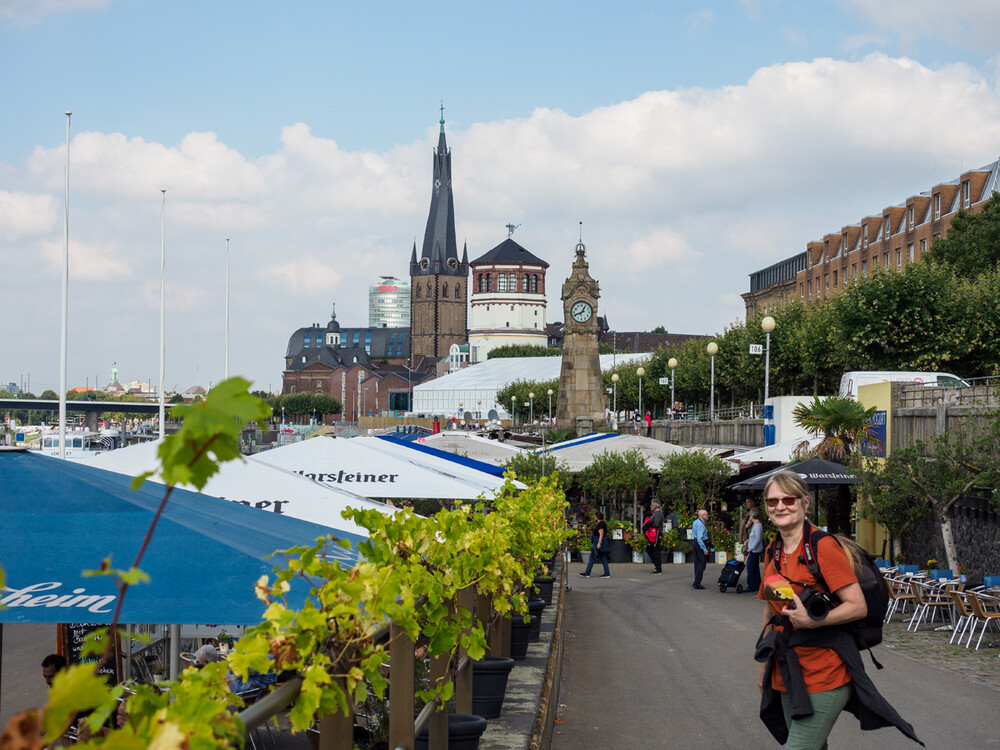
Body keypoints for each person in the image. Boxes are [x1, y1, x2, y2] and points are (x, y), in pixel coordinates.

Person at [756, 471, 867, 748]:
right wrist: (764, 666)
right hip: (786, 670)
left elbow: (858, 606)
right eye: (772, 501)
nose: (780, 506)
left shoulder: (823, 547)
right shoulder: (774, 550)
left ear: (805, 503)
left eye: (788, 499)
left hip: (824, 674)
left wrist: (814, 621)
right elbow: (772, 611)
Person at [579, 511, 611, 578]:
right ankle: (607, 573)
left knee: (592, 557)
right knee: (602, 558)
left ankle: (587, 573)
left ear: (596, 517)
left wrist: (599, 543)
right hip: (600, 541)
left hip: (597, 542)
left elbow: (601, 534)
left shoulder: (600, 524)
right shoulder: (602, 523)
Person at [643, 500, 664, 574]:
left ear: (655, 506)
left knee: (655, 551)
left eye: (651, 505)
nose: (650, 506)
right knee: (650, 549)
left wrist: (649, 523)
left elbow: (656, 524)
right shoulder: (656, 513)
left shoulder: (658, 513)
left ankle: (658, 568)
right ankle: (657, 566)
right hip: (654, 535)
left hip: (656, 535)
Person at [745, 507, 763, 593]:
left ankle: (751, 585)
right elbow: (754, 536)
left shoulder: (758, 525)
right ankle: (756, 584)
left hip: (754, 550)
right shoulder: (756, 525)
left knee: (750, 567)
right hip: (753, 549)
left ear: (752, 516)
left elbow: (758, 538)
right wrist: (748, 541)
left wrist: (752, 548)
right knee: (754, 567)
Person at [691, 508, 710, 589]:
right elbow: (700, 538)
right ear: (702, 516)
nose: (707, 515)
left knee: (697, 563)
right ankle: (697, 582)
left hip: (695, 543)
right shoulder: (701, 525)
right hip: (700, 543)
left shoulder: (695, 522)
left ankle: (696, 580)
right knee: (702, 564)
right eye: (706, 514)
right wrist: (704, 548)